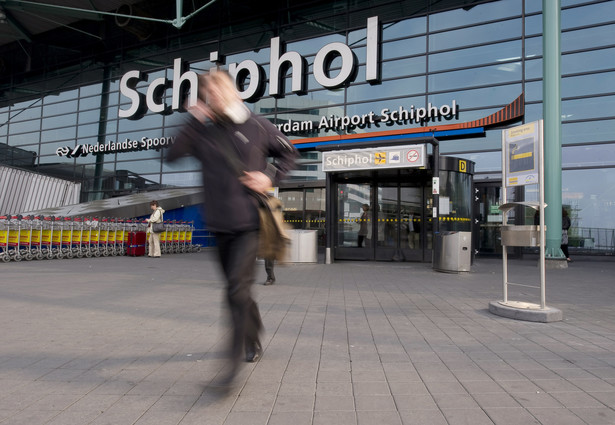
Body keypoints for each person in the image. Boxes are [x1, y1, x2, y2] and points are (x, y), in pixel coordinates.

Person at [166, 70, 297, 386]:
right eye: (209, 91)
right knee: (238, 290)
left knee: (235, 291)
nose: (215, 94)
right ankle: (253, 333)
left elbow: (289, 154)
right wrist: (194, 119)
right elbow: (171, 155)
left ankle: (231, 370)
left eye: (220, 87)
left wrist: (270, 177)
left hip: (249, 224)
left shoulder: (257, 125)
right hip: (218, 225)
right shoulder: (204, 132)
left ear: (234, 90)